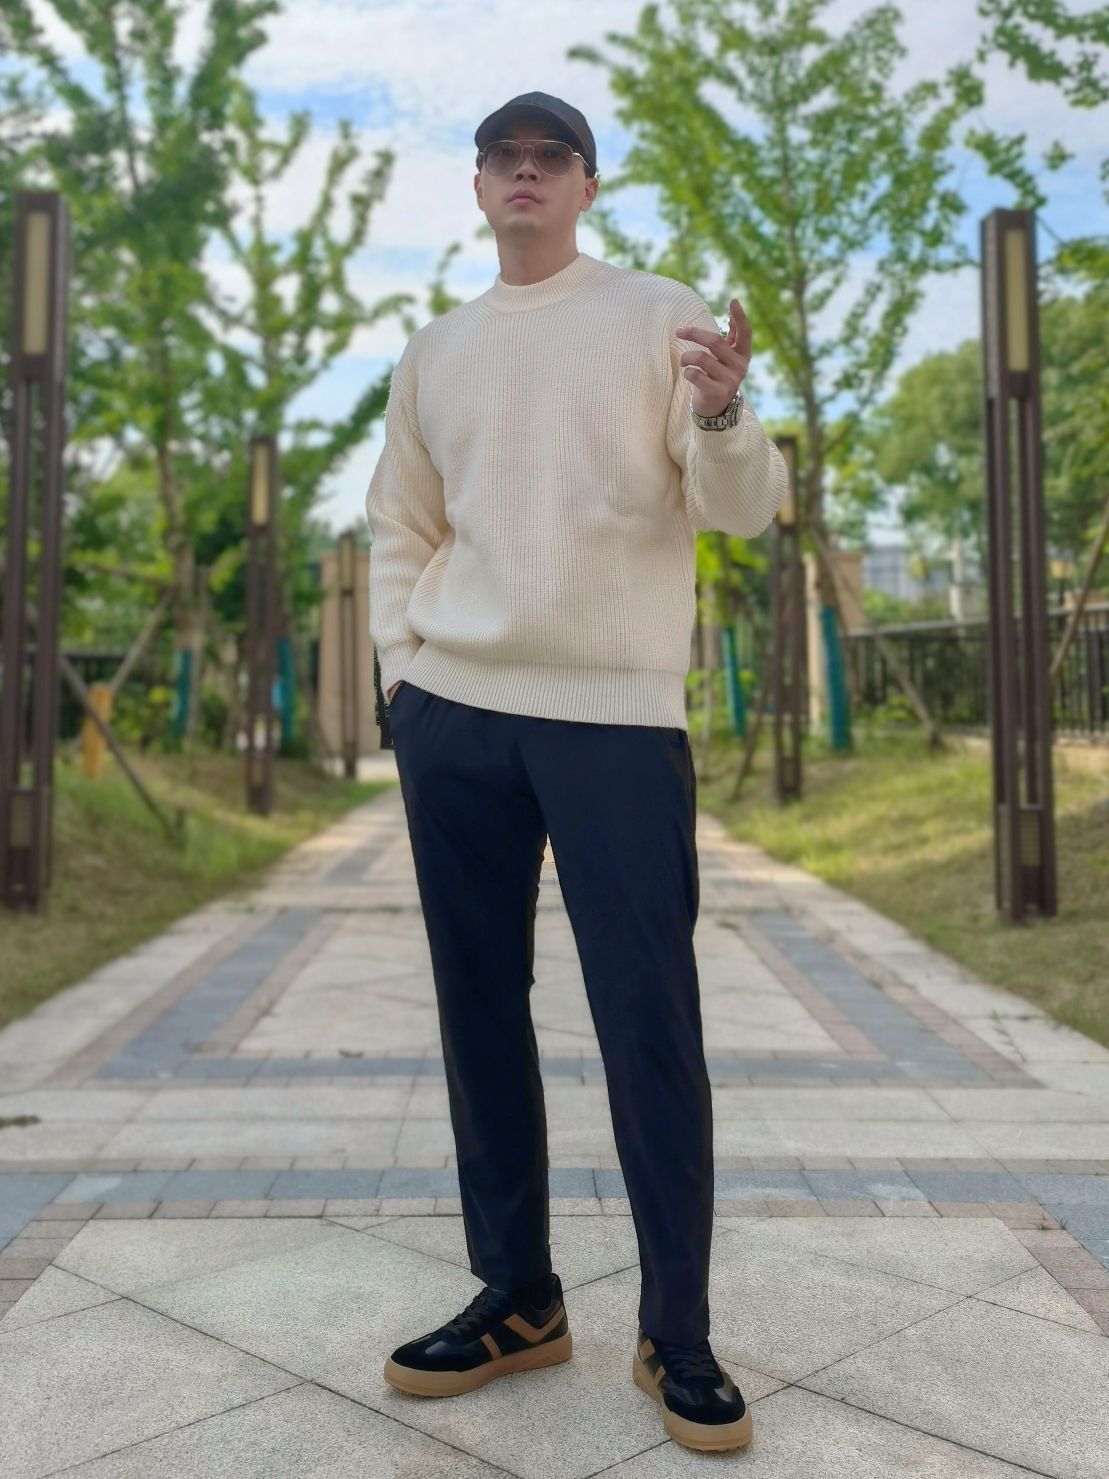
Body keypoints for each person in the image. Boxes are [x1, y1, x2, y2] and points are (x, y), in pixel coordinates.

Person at [367, 92, 786, 1454]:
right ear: (478, 186)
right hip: (457, 713)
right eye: (504, 158)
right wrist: (400, 680)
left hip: (613, 717)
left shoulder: (657, 316)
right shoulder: (437, 351)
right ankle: (518, 1298)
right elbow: (399, 526)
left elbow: (740, 510)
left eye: (552, 158)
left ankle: (678, 1333)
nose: (526, 175)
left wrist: (724, 416)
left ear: (587, 186)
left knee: (647, 1020)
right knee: (478, 1011)